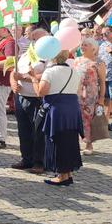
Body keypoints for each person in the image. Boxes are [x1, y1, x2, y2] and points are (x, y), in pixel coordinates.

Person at [30, 50, 83, 186]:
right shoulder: (74, 71)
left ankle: (62, 175)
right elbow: (76, 90)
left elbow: (41, 92)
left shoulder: (50, 72)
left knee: (58, 141)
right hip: (72, 108)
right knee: (70, 140)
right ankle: (68, 173)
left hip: (57, 110)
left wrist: (34, 79)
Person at [9, 28, 48, 174]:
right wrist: (13, 82)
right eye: (32, 38)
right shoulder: (26, 54)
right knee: (23, 130)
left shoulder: (48, 56)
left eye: (36, 38)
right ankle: (26, 159)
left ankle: (39, 162)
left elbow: (45, 75)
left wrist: (24, 77)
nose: (33, 41)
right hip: (21, 96)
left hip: (37, 98)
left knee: (37, 132)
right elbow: (14, 71)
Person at [73, 38, 106, 156]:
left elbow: (102, 82)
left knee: (88, 119)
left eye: (85, 45)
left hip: (90, 95)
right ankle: (75, 143)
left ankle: (88, 143)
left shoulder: (99, 62)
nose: (82, 47)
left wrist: (102, 98)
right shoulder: (77, 60)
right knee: (76, 118)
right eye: (81, 45)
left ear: (93, 48)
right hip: (76, 93)